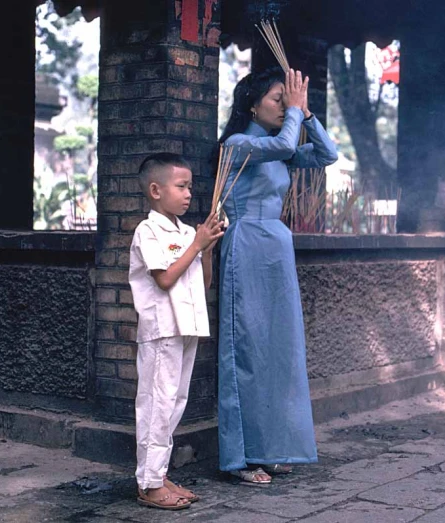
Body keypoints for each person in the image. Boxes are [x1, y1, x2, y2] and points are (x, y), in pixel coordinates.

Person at [216, 68, 339, 485]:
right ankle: (241, 457)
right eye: (276, 99)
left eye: (285, 100)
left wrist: (306, 116)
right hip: (246, 243)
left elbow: (327, 155)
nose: (283, 107)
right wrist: (295, 115)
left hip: (276, 246)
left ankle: (269, 449)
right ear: (251, 105)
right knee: (247, 350)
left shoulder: (280, 145)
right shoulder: (239, 144)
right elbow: (285, 143)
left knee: (278, 350)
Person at [129, 153, 224, 509]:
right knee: (156, 404)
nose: (188, 194)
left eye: (190, 187)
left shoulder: (188, 232)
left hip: (186, 329)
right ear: (156, 190)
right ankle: (149, 483)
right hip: (161, 330)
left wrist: (208, 250)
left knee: (174, 403)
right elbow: (166, 279)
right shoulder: (148, 230)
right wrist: (197, 246)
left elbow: (202, 283)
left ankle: (159, 474)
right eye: (181, 186)